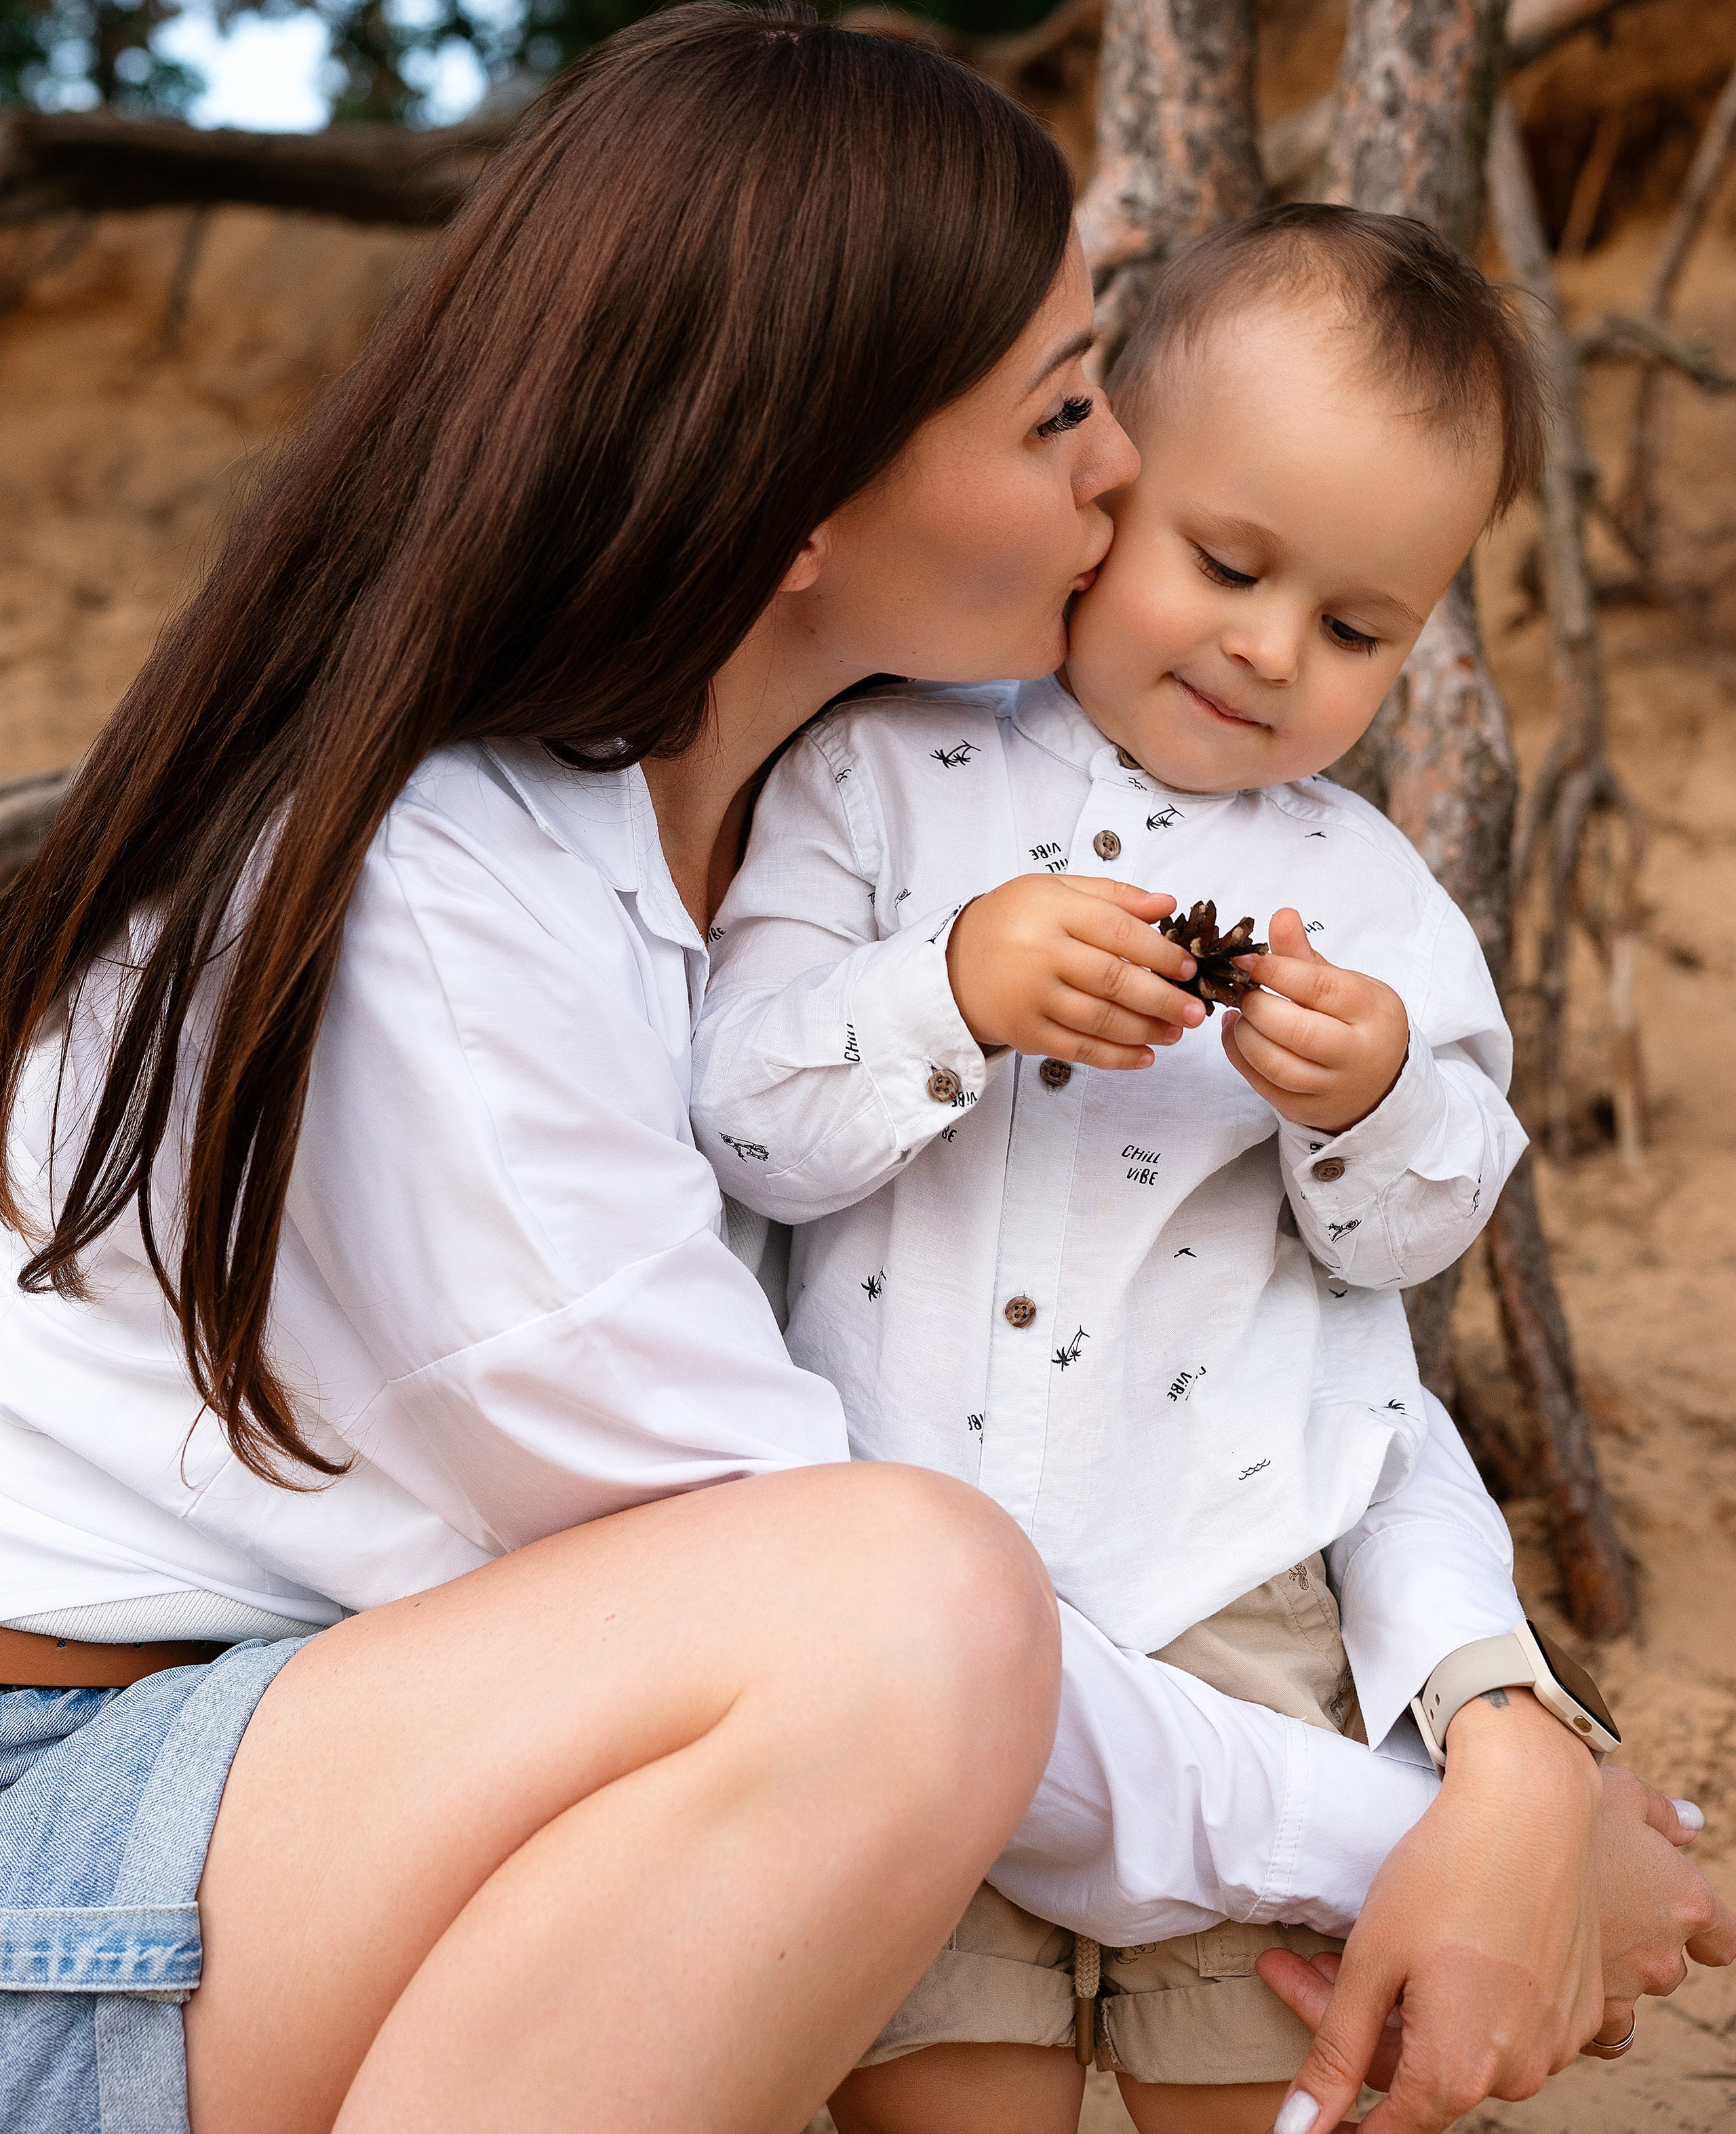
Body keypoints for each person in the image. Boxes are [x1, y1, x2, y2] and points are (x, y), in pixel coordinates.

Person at [0, 7, 1724, 2134]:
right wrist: (1434, 1860)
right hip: (65, 1868)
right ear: (805, 496)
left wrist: (1514, 1747)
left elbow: (1280, 1338)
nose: (1120, 476)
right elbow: (872, 1630)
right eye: (1063, 412)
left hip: (298, 1797)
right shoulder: (451, 910)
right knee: (905, 1602)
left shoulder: (802, 842)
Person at [689, 199, 1724, 2133]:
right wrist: (952, 991)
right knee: (940, 2083)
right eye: (1223, 563)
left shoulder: (1369, 896)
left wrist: (1374, 1093)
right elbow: (744, 1118)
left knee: (1265, 2073)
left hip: (1235, 1593)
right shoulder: (878, 771)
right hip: (898, 1590)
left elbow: (1420, 1235)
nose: (1268, 651)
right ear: (1111, 487)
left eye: (1356, 628)